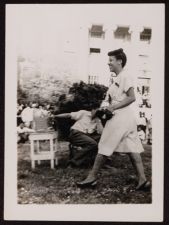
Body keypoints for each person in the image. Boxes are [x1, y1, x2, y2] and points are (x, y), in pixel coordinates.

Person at [76, 48, 150, 191]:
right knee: (131, 147)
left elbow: (132, 97)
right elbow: (114, 99)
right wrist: (104, 108)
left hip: (121, 116)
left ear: (119, 61)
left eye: (111, 60)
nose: (108, 63)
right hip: (125, 117)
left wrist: (113, 107)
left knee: (104, 144)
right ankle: (143, 180)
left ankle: (91, 178)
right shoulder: (117, 78)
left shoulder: (125, 76)